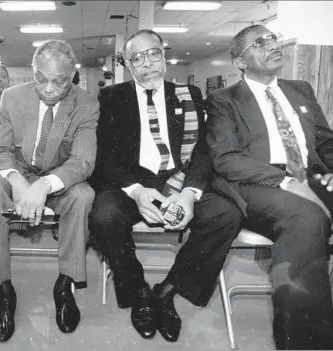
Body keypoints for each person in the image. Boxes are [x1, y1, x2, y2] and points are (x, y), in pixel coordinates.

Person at [205, 24, 333, 350]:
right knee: (307, 218)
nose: (272, 45)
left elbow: (329, 141)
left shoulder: (300, 89)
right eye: (259, 43)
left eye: (272, 38)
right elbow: (226, 158)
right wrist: (286, 181)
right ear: (240, 61)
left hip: (313, 178)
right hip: (259, 184)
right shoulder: (223, 100)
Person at [88, 29, 243, 342]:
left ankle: (167, 290)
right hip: (131, 182)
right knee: (103, 217)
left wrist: (189, 194)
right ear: (128, 65)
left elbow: (202, 151)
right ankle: (138, 290)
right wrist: (138, 191)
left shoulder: (190, 95)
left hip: (180, 176)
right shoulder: (110, 98)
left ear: (164, 56)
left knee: (226, 214)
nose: (147, 63)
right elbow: (105, 156)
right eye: (137, 57)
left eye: (153, 53)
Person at [0, 39, 99, 342]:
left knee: (84, 196)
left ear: (73, 76)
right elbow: (0, 149)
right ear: (33, 71)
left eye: (60, 81)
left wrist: (43, 186)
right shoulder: (11, 97)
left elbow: (82, 161)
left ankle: (65, 284)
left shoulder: (86, 104)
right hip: (19, 170)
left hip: (59, 176)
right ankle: (3, 289)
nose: (49, 88)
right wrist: (19, 183)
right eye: (42, 78)